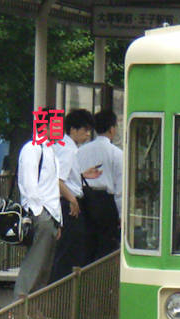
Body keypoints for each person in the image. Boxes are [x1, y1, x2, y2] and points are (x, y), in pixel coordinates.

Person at [12, 124, 65, 301]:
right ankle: (20, 304)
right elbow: (29, 183)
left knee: (44, 264)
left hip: (50, 214)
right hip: (42, 213)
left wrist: (57, 221)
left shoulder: (49, 150)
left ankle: (33, 306)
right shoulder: (32, 149)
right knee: (35, 261)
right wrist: (39, 212)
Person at [49, 109, 102, 280]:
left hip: (60, 204)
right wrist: (72, 200)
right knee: (70, 253)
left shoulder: (60, 145)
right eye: (84, 130)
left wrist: (82, 174)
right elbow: (58, 180)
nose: (87, 135)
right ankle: (61, 295)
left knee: (63, 252)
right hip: (67, 205)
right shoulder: (68, 149)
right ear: (72, 129)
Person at [76, 109, 123, 261]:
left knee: (86, 245)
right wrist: (122, 214)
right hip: (106, 203)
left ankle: (84, 280)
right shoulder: (116, 153)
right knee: (106, 246)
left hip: (84, 200)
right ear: (112, 128)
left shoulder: (80, 151)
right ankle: (101, 282)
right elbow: (120, 188)